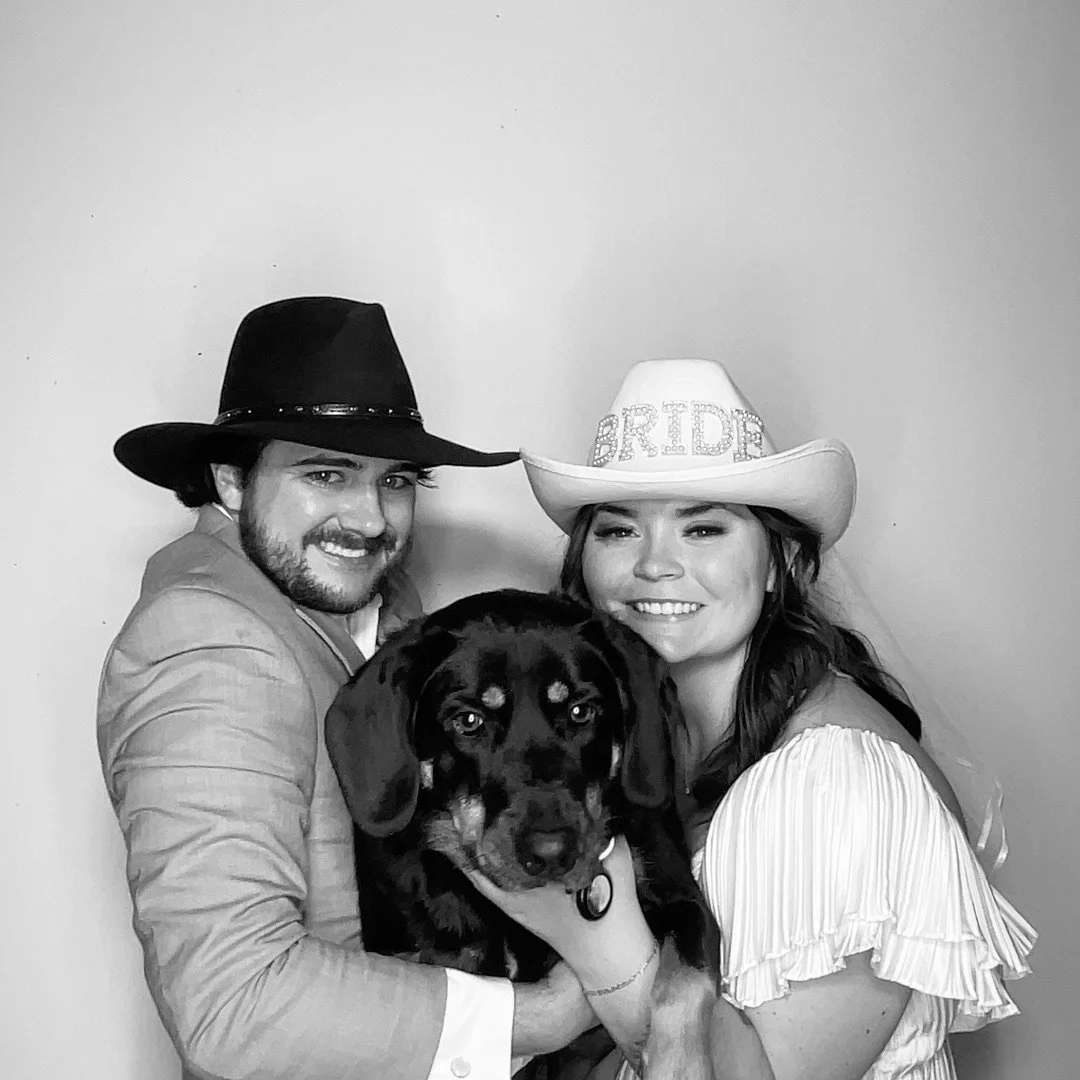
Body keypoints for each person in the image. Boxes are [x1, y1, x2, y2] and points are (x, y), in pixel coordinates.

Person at [470, 357, 1036, 1079]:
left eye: (703, 529)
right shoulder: (625, 745)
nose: (654, 565)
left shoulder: (839, 786)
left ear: (778, 563)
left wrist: (585, 934)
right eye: (618, 531)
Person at [97, 296, 596, 1080]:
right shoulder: (207, 640)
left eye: (395, 480)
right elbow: (233, 1002)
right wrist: (544, 1017)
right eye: (325, 474)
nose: (368, 519)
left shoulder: (381, 610)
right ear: (231, 481)